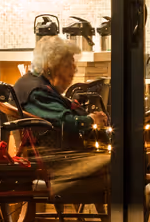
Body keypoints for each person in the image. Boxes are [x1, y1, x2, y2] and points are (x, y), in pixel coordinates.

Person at [11, 36, 111, 200]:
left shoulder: (32, 84)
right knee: (128, 164)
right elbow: (66, 121)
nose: (75, 71)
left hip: (59, 159)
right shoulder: (37, 92)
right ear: (52, 66)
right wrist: (92, 120)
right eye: (70, 65)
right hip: (61, 166)